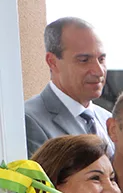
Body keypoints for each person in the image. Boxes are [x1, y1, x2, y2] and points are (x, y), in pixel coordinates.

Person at [25, 17, 113, 157]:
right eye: (84, 60)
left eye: (101, 59)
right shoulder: (28, 120)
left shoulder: (108, 119)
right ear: (52, 62)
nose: (99, 71)